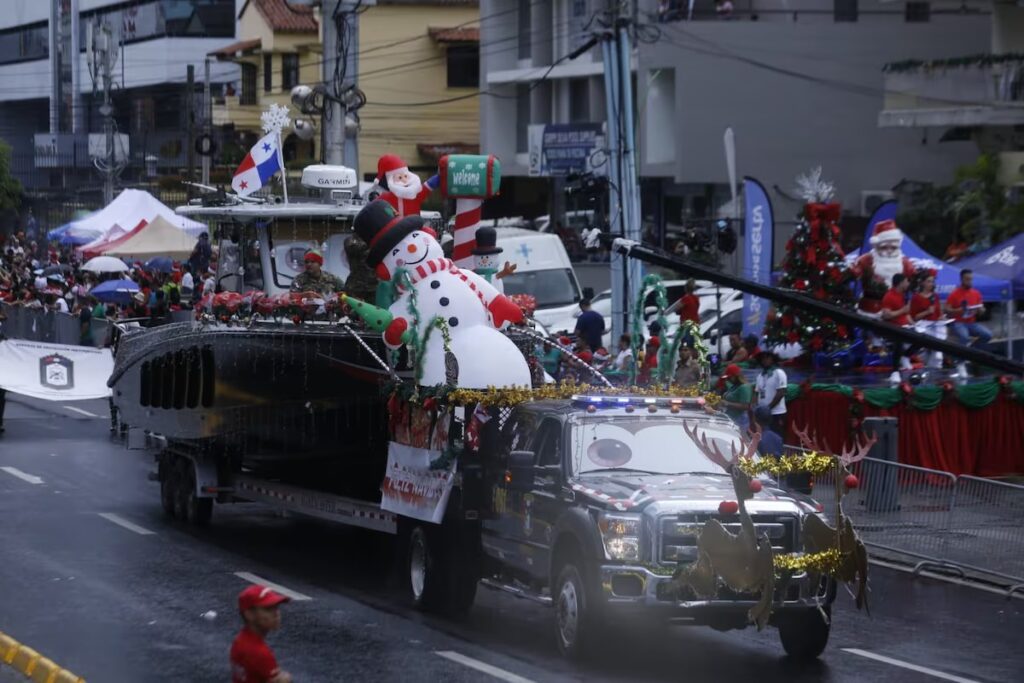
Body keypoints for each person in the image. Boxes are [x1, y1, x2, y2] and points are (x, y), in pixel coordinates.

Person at [230, 585, 293, 683]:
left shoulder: (239, 641)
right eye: (268, 609)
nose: (276, 614)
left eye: (276, 607)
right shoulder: (260, 653)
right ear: (249, 614)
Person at [881, 273, 914, 383]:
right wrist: (902, 311)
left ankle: (906, 356)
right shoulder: (889, 296)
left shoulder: (905, 295)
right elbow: (886, 315)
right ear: (901, 283)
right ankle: (895, 372)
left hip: (905, 325)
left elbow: (907, 314)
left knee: (923, 336)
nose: (908, 283)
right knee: (899, 340)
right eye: (906, 281)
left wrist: (914, 324)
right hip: (893, 327)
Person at [910, 273, 947, 369]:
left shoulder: (935, 296)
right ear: (923, 283)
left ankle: (933, 368)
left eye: (932, 281)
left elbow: (939, 314)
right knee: (933, 351)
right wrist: (927, 312)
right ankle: (930, 366)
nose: (931, 284)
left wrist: (942, 318)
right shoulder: (916, 298)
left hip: (936, 326)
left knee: (937, 352)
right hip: (923, 326)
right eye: (928, 281)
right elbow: (914, 317)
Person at [754, 350, 787, 434]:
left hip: (776, 413)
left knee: (776, 436)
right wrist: (755, 407)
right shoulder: (760, 376)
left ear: (772, 359)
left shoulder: (779, 373)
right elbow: (757, 393)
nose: (764, 360)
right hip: (762, 414)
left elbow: (781, 392)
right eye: (762, 358)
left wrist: (768, 408)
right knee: (762, 437)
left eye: (767, 358)